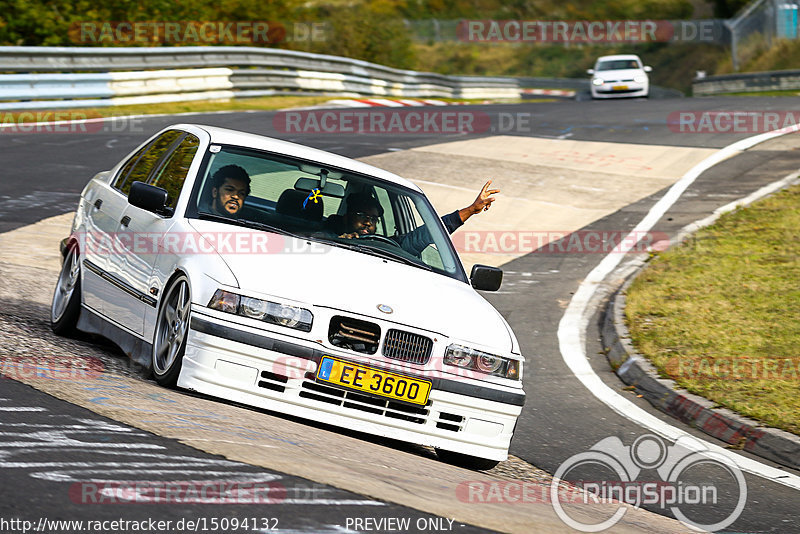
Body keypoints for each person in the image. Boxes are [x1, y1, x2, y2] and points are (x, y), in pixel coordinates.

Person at [331, 181, 499, 255]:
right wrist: (339, 242)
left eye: (374, 219)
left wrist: (471, 209)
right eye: (362, 216)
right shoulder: (323, 235)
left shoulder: (394, 247)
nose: (368, 222)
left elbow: (432, 231)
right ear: (346, 215)